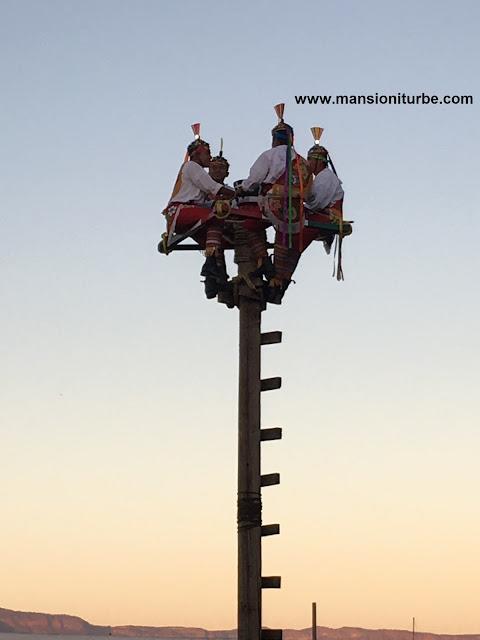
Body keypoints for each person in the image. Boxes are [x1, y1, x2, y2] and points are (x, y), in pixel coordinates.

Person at [236, 104, 313, 303]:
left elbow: (254, 179)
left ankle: (263, 260)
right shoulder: (302, 161)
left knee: (249, 225)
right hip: (296, 210)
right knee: (289, 241)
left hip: (271, 204)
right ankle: (278, 281)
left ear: (274, 139)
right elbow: (309, 191)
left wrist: (242, 189)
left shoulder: (268, 155)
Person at [163, 125, 235, 298]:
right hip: (182, 210)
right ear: (197, 153)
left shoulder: (195, 170)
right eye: (207, 154)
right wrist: (237, 193)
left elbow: (211, 193)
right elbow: (212, 187)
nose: (209, 159)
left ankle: (216, 280)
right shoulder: (191, 166)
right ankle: (210, 268)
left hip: (189, 212)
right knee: (217, 216)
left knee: (215, 243)